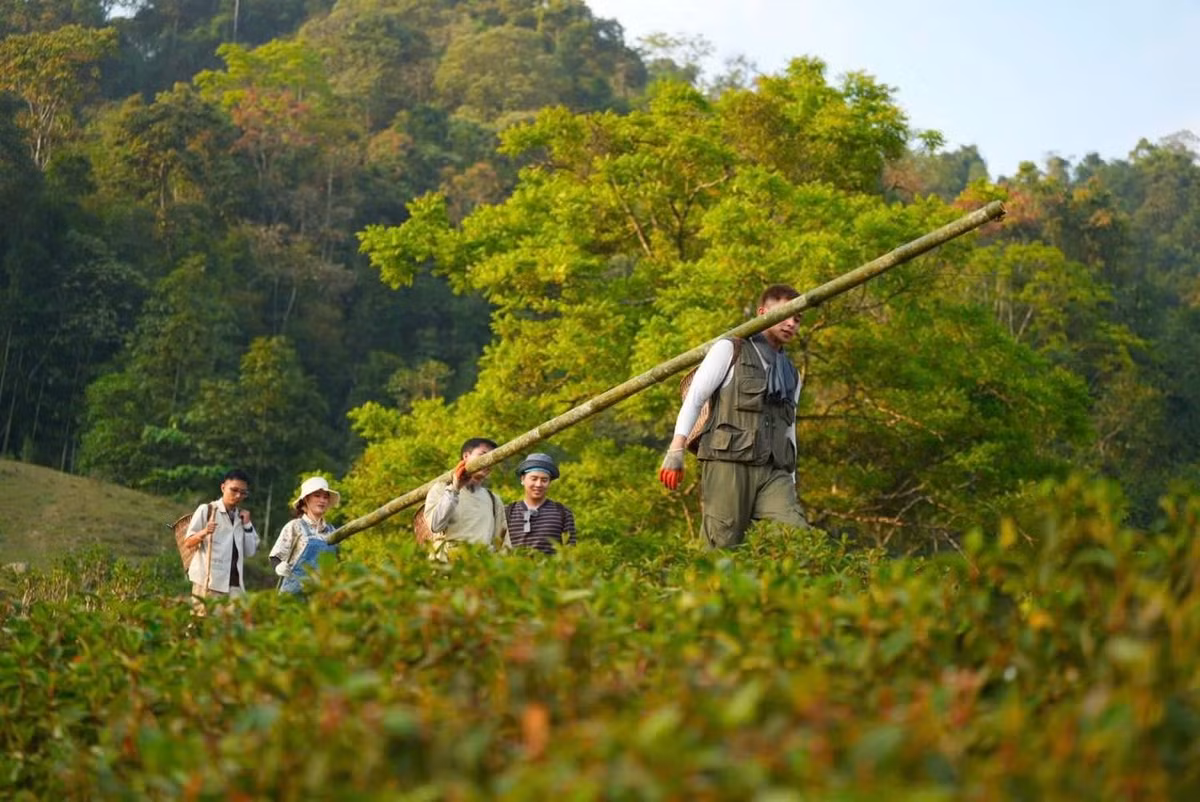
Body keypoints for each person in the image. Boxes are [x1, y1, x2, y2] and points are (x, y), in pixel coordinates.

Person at [659, 284, 811, 549]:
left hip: (775, 470)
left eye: (797, 319)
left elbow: (790, 428)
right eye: (785, 314)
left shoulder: (791, 373)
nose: (791, 323)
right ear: (763, 312)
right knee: (721, 544)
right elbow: (695, 399)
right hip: (728, 463)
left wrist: (793, 479)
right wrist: (676, 450)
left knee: (796, 539)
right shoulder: (730, 350)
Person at [183, 469, 260, 604]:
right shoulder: (207, 510)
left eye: (243, 493)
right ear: (223, 487)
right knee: (204, 622)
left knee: (231, 624)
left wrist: (247, 525)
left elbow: (250, 551)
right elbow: (188, 542)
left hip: (235, 585)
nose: (238, 496)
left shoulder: (242, 517)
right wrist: (204, 532)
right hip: (208, 583)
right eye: (234, 490)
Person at [423, 437, 506, 560]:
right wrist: (455, 489)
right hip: (448, 563)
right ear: (466, 456)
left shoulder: (494, 499)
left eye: (493, 458)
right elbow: (435, 526)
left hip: (481, 567)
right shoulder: (441, 488)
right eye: (483, 455)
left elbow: (500, 541)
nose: (488, 461)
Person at [270, 476, 340, 593]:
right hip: (292, 595)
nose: (322, 500)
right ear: (306, 499)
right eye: (317, 496)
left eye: (325, 497)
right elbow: (275, 556)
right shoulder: (294, 527)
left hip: (320, 596)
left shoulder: (332, 531)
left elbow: (336, 562)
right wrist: (278, 567)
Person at [505, 453, 576, 555]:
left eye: (544, 480)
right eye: (534, 479)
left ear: (549, 482)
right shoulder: (508, 511)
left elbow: (570, 551)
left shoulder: (563, 513)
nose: (538, 484)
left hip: (550, 570)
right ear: (522, 479)